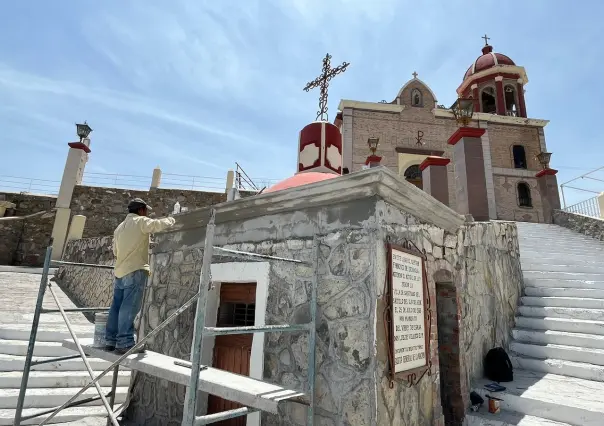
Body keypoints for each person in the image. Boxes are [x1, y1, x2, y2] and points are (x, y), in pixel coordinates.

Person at [105, 198, 175, 354]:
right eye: (146, 211)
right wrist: (172, 219)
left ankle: (110, 340)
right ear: (141, 210)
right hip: (135, 270)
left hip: (120, 272)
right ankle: (124, 343)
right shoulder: (141, 221)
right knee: (129, 307)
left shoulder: (119, 228)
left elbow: (115, 251)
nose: (147, 213)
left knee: (116, 306)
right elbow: (157, 225)